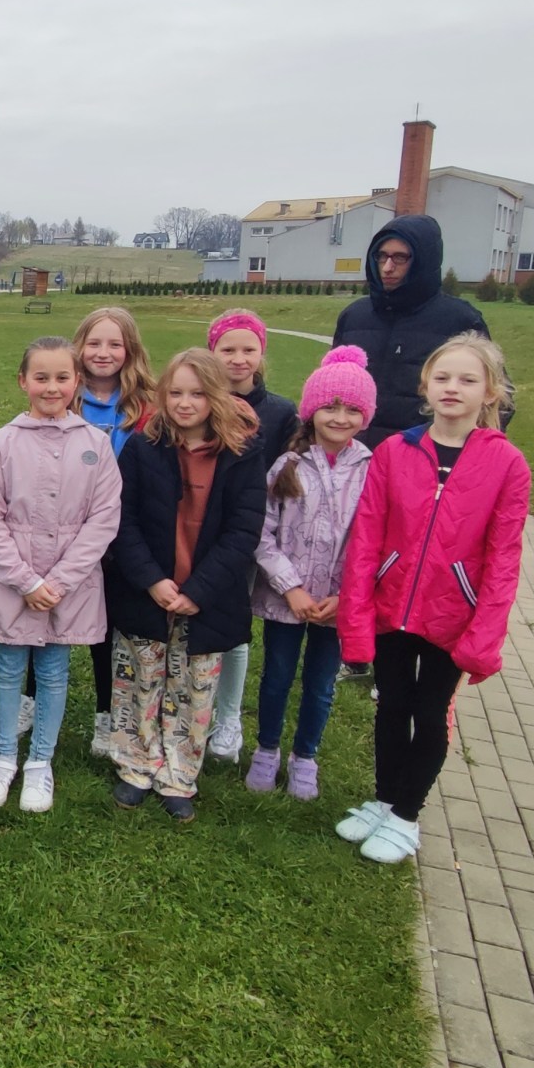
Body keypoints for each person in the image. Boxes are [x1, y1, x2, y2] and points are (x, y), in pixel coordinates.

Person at [337, 333, 529, 864]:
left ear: (489, 392)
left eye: (468, 380)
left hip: (453, 615)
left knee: (430, 709)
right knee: (391, 706)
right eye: (443, 378)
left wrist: (484, 633)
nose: (453, 389)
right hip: (392, 606)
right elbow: (367, 538)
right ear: (426, 385)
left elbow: (504, 558)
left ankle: (407, 814)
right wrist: (357, 614)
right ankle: (384, 798)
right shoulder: (396, 452)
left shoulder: (507, 464)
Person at [104, 349, 266, 822]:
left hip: (207, 595)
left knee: (193, 688)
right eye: (175, 392)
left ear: (217, 396)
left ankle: (179, 772)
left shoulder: (242, 453)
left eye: (197, 393)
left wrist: (199, 589)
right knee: (139, 679)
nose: (185, 403)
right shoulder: (143, 446)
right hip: (147, 589)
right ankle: (136, 763)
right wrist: (153, 580)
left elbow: (244, 530)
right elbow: (123, 519)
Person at [0, 337, 120, 810]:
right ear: (23, 381)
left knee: (53, 673)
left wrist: (60, 581)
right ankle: (4, 758)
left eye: (61, 378)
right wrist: (26, 581)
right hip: (13, 583)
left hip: (68, 589)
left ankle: (40, 763)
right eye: (41, 377)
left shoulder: (95, 444)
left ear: (77, 382)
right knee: (8, 670)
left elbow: (104, 518)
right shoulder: (2, 443)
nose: (51, 387)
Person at [246, 345, 376, 801]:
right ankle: (266, 750)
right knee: (277, 677)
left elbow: (375, 541)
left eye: (351, 409)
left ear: (366, 414)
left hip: (339, 604)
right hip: (288, 602)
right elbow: (261, 533)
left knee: (320, 685)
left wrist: (347, 594)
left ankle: (305, 757)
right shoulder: (289, 467)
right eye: (330, 407)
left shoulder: (373, 471)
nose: (340, 418)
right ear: (311, 411)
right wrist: (291, 588)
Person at [202, 309, 298, 766]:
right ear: (212, 353)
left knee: (237, 631)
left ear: (261, 354)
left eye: (248, 350)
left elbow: (287, 480)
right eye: (228, 349)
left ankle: (228, 718)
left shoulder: (280, 413)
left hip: (252, 538)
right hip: (202, 533)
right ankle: (194, 711)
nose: (238, 359)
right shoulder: (199, 402)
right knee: (201, 625)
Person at [71, 306, 155, 758]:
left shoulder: (147, 409)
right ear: (79, 348)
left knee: (109, 632)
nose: (103, 353)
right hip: (65, 536)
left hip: (123, 541)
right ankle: (30, 699)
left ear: (130, 351)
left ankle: (107, 715)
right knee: (49, 622)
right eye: (95, 343)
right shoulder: (65, 396)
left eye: (114, 344)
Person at [332, 213, 489, 448]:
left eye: (400, 258)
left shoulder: (460, 320)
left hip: (423, 458)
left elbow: (494, 398)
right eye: (381, 256)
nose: (387, 267)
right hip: (354, 459)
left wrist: (463, 454)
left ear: (423, 261)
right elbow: (331, 388)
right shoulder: (354, 316)